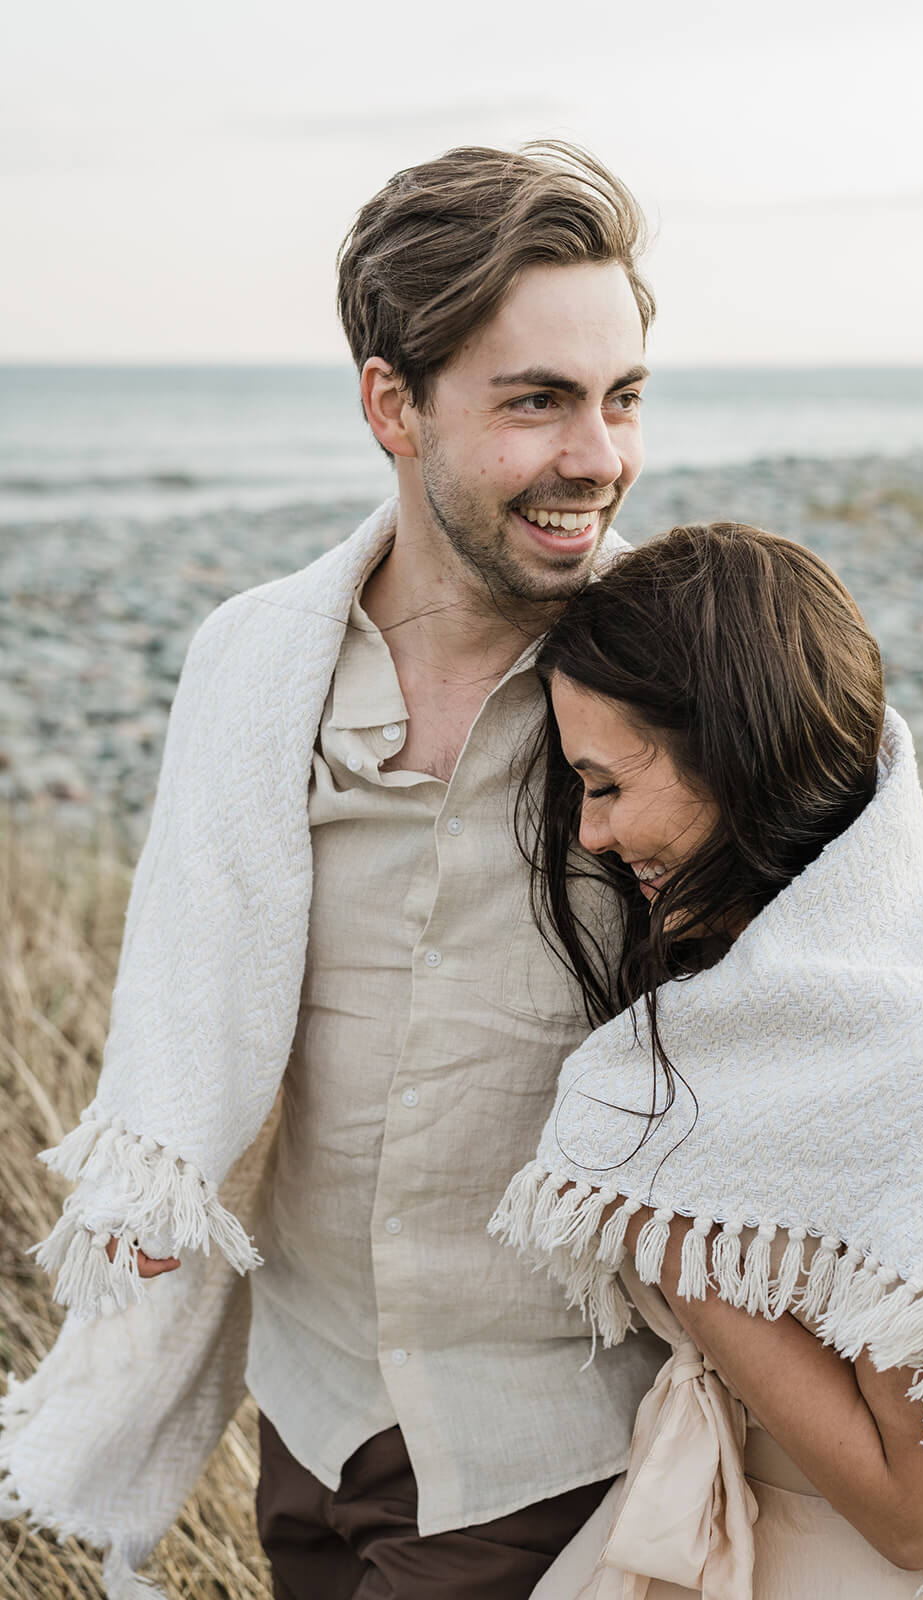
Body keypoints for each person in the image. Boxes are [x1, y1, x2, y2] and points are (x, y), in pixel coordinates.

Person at [1, 143, 668, 1599]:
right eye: (538, 401)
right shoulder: (256, 661)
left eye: (621, 398)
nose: (600, 457)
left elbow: (885, 1001)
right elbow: (196, 983)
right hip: (309, 1419)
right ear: (392, 404)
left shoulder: (694, 670)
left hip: (560, 1448)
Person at [492, 522, 923, 1599]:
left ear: (733, 756)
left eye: (606, 784)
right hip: (710, 1519)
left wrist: (665, 1206)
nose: (589, 836)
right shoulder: (759, 998)